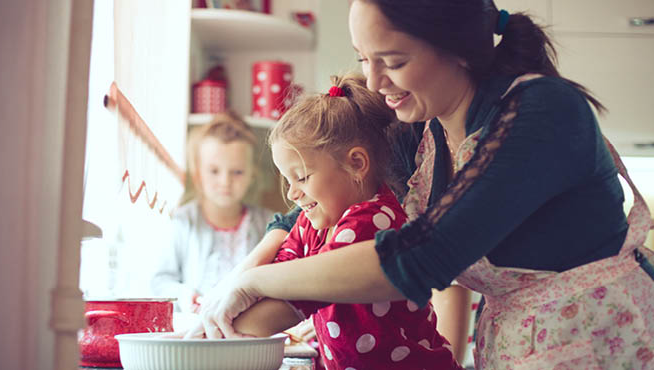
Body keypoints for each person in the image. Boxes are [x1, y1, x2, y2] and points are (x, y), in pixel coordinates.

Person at [195, 1, 654, 369]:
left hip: (603, 341)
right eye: (364, 59)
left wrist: (255, 280)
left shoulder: (542, 113)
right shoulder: (422, 129)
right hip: (520, 345)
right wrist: (240, 281)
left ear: (457, 49)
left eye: (392, 61)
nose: (374, 81)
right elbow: (305, 211)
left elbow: (419, 258)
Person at [225, 73, 463, 369]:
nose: (293, 193)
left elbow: (293, 301)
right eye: (288, 180)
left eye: (302, 177)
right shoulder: (314, 222)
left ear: (356, 164)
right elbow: (282, 268)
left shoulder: (373, 221)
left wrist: (220, 326)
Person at [150, 111, 273, 313]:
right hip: (196, 326)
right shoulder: (182, 221)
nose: (225, 182)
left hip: (250, 328)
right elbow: (160, 280)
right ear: (198, 174)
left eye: (237, 172)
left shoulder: (268, 223)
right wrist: (185, 295)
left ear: (251, 174)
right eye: (214, 171)